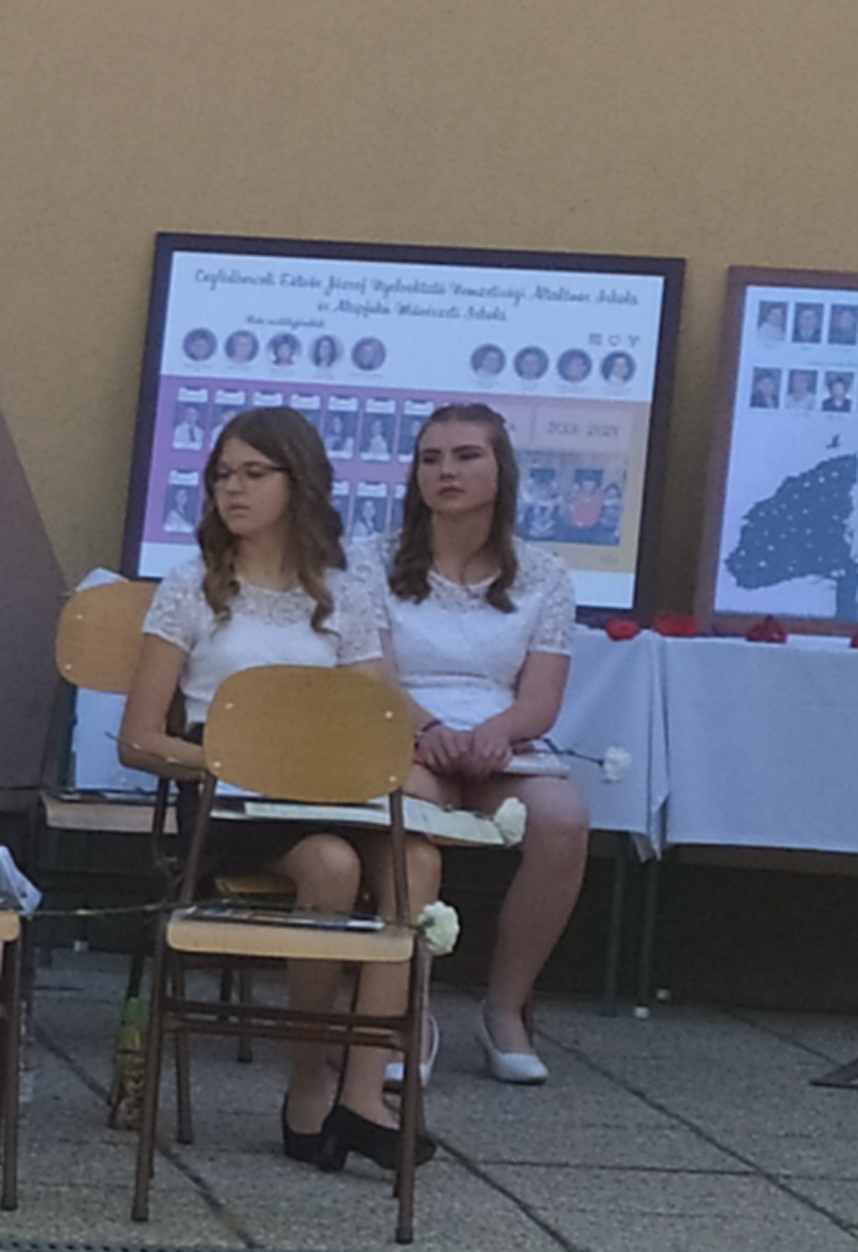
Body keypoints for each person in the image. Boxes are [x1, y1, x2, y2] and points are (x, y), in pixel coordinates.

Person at [119, 406, 434, 1174]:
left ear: (300, 483)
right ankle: (307, 1085)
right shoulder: (191, 587)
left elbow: (376, 717)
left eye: (254, 473)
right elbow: (139, 738)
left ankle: (363, 1094)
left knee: (417, 860)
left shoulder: (343, 592)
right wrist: (234, 760)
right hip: (228, 796)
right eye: (222, 475)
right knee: (332, 866)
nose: (233, 489)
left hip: (327, 786)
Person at [381, 402, 586, 1085]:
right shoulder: (370, 561)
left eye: (466, 456)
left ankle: (504, 1009)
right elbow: (369, 674)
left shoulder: (544, 574)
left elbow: (541, 699)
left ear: (502, 471)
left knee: (563, 821)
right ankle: (406, 1008)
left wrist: (495, 734)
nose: (446, 471)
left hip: (500, 741)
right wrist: (427, 730)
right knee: (406, 811)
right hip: (405, 731)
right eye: (430, 458)